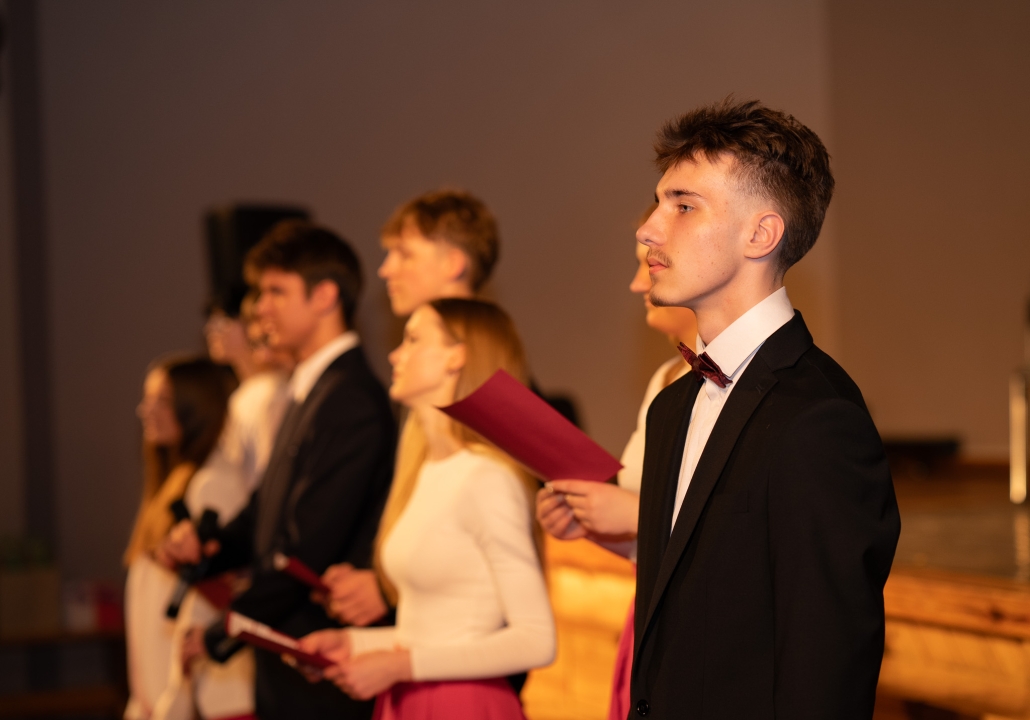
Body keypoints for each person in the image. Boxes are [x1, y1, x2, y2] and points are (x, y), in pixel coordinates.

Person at [630, 98, 900, 719]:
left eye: (683, 205)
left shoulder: (819, 419)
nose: (647, 229)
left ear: (761, 234)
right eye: (658, 202)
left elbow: (827, 670)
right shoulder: (670, 407)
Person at [160, 220, 397, 720]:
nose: (260, 307)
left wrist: (226, 629)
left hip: (320, 662)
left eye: (276, 291)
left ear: (324, 296)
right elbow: (265, 511)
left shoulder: (349, 398)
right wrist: (211, 547)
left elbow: (308, 545)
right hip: (290, 659)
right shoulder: (309, 389)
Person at [298, 298, 555, 719]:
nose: (395, 355)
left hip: (463, 704)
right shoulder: (423, 469)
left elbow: (536, 640)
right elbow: (434, 629)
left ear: (457, 356)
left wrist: (399, 666)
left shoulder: (486, 477)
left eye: (414, 339)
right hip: (414, 695)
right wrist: (354, 643)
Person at [535, 207, 696, 720]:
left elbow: (730, 524)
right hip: (649, 606)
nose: (636, 284)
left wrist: (631, 516)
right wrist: (586, 519)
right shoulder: (666, 378)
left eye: (647, 266)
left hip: (697, 622)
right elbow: (641, 526)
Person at [318, 188, 502, 631]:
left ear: (453, 263)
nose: (386, 269)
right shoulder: (424, 378)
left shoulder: (491, 381)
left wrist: (385, 587)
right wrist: (374, 569)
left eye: (404, 253)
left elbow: (492, 531)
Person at [151, 294, 293, 720]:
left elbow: (265, 500)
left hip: (246, 579)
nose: (213, 330)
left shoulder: (266, 395)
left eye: (224, 320)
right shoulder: (251, 396)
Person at [124, 356, 237, 720]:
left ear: (196, 406)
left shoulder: (210, 484)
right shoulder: (171, 484)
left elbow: (219, 596)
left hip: (198, 693)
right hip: (160, 689)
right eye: (148, 400)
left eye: (163, 401)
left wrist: (175, 694)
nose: (146, 411)